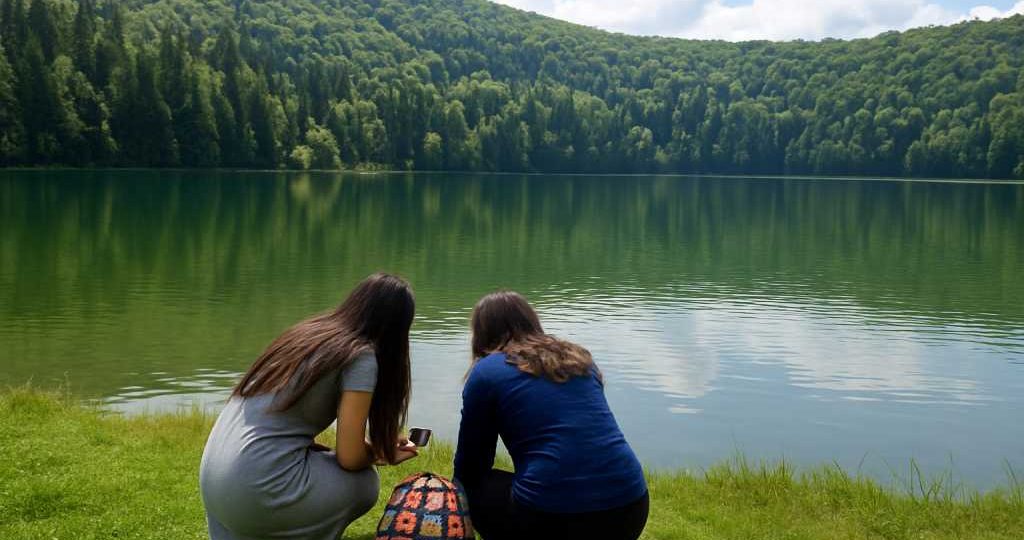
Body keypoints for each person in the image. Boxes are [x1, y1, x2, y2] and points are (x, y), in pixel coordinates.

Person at [200, 273, 419, 540]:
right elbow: (349, 458)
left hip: (214, 480)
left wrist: (374, 449)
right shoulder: (361, 357)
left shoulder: (310, 334)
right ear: (397, 330)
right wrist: (380, 454)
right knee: (365, 483)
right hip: (253, 489)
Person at [453, 291, 649, 540]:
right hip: (631, 507)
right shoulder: (580, 360)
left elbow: (471, 466)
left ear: (481, 334)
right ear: (531, 321)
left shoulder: (487, 371)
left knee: (467, 486)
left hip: (552, 519)